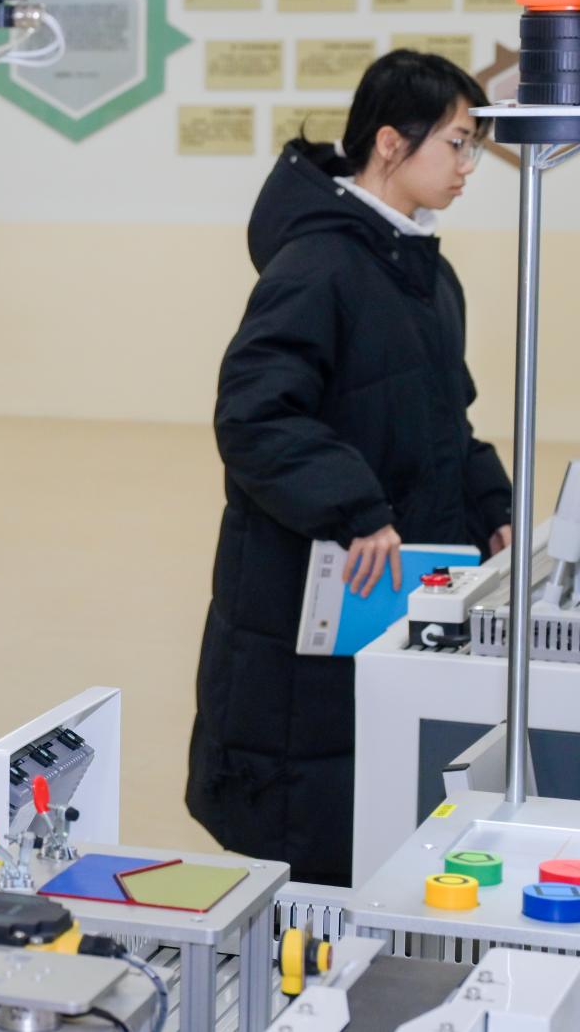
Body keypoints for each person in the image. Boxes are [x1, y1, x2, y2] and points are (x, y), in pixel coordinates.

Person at [187, 50, 514, 888]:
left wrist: (492, 507)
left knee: (384, 807)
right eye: (457, 143)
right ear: (390, 144)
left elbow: (445, 415)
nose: (468, 166)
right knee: (310, 831)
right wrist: (355, 506)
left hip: (398, 584)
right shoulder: (318, 264)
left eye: (475, 148)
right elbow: (254, 413)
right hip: (312, 587)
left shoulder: (426, 271)